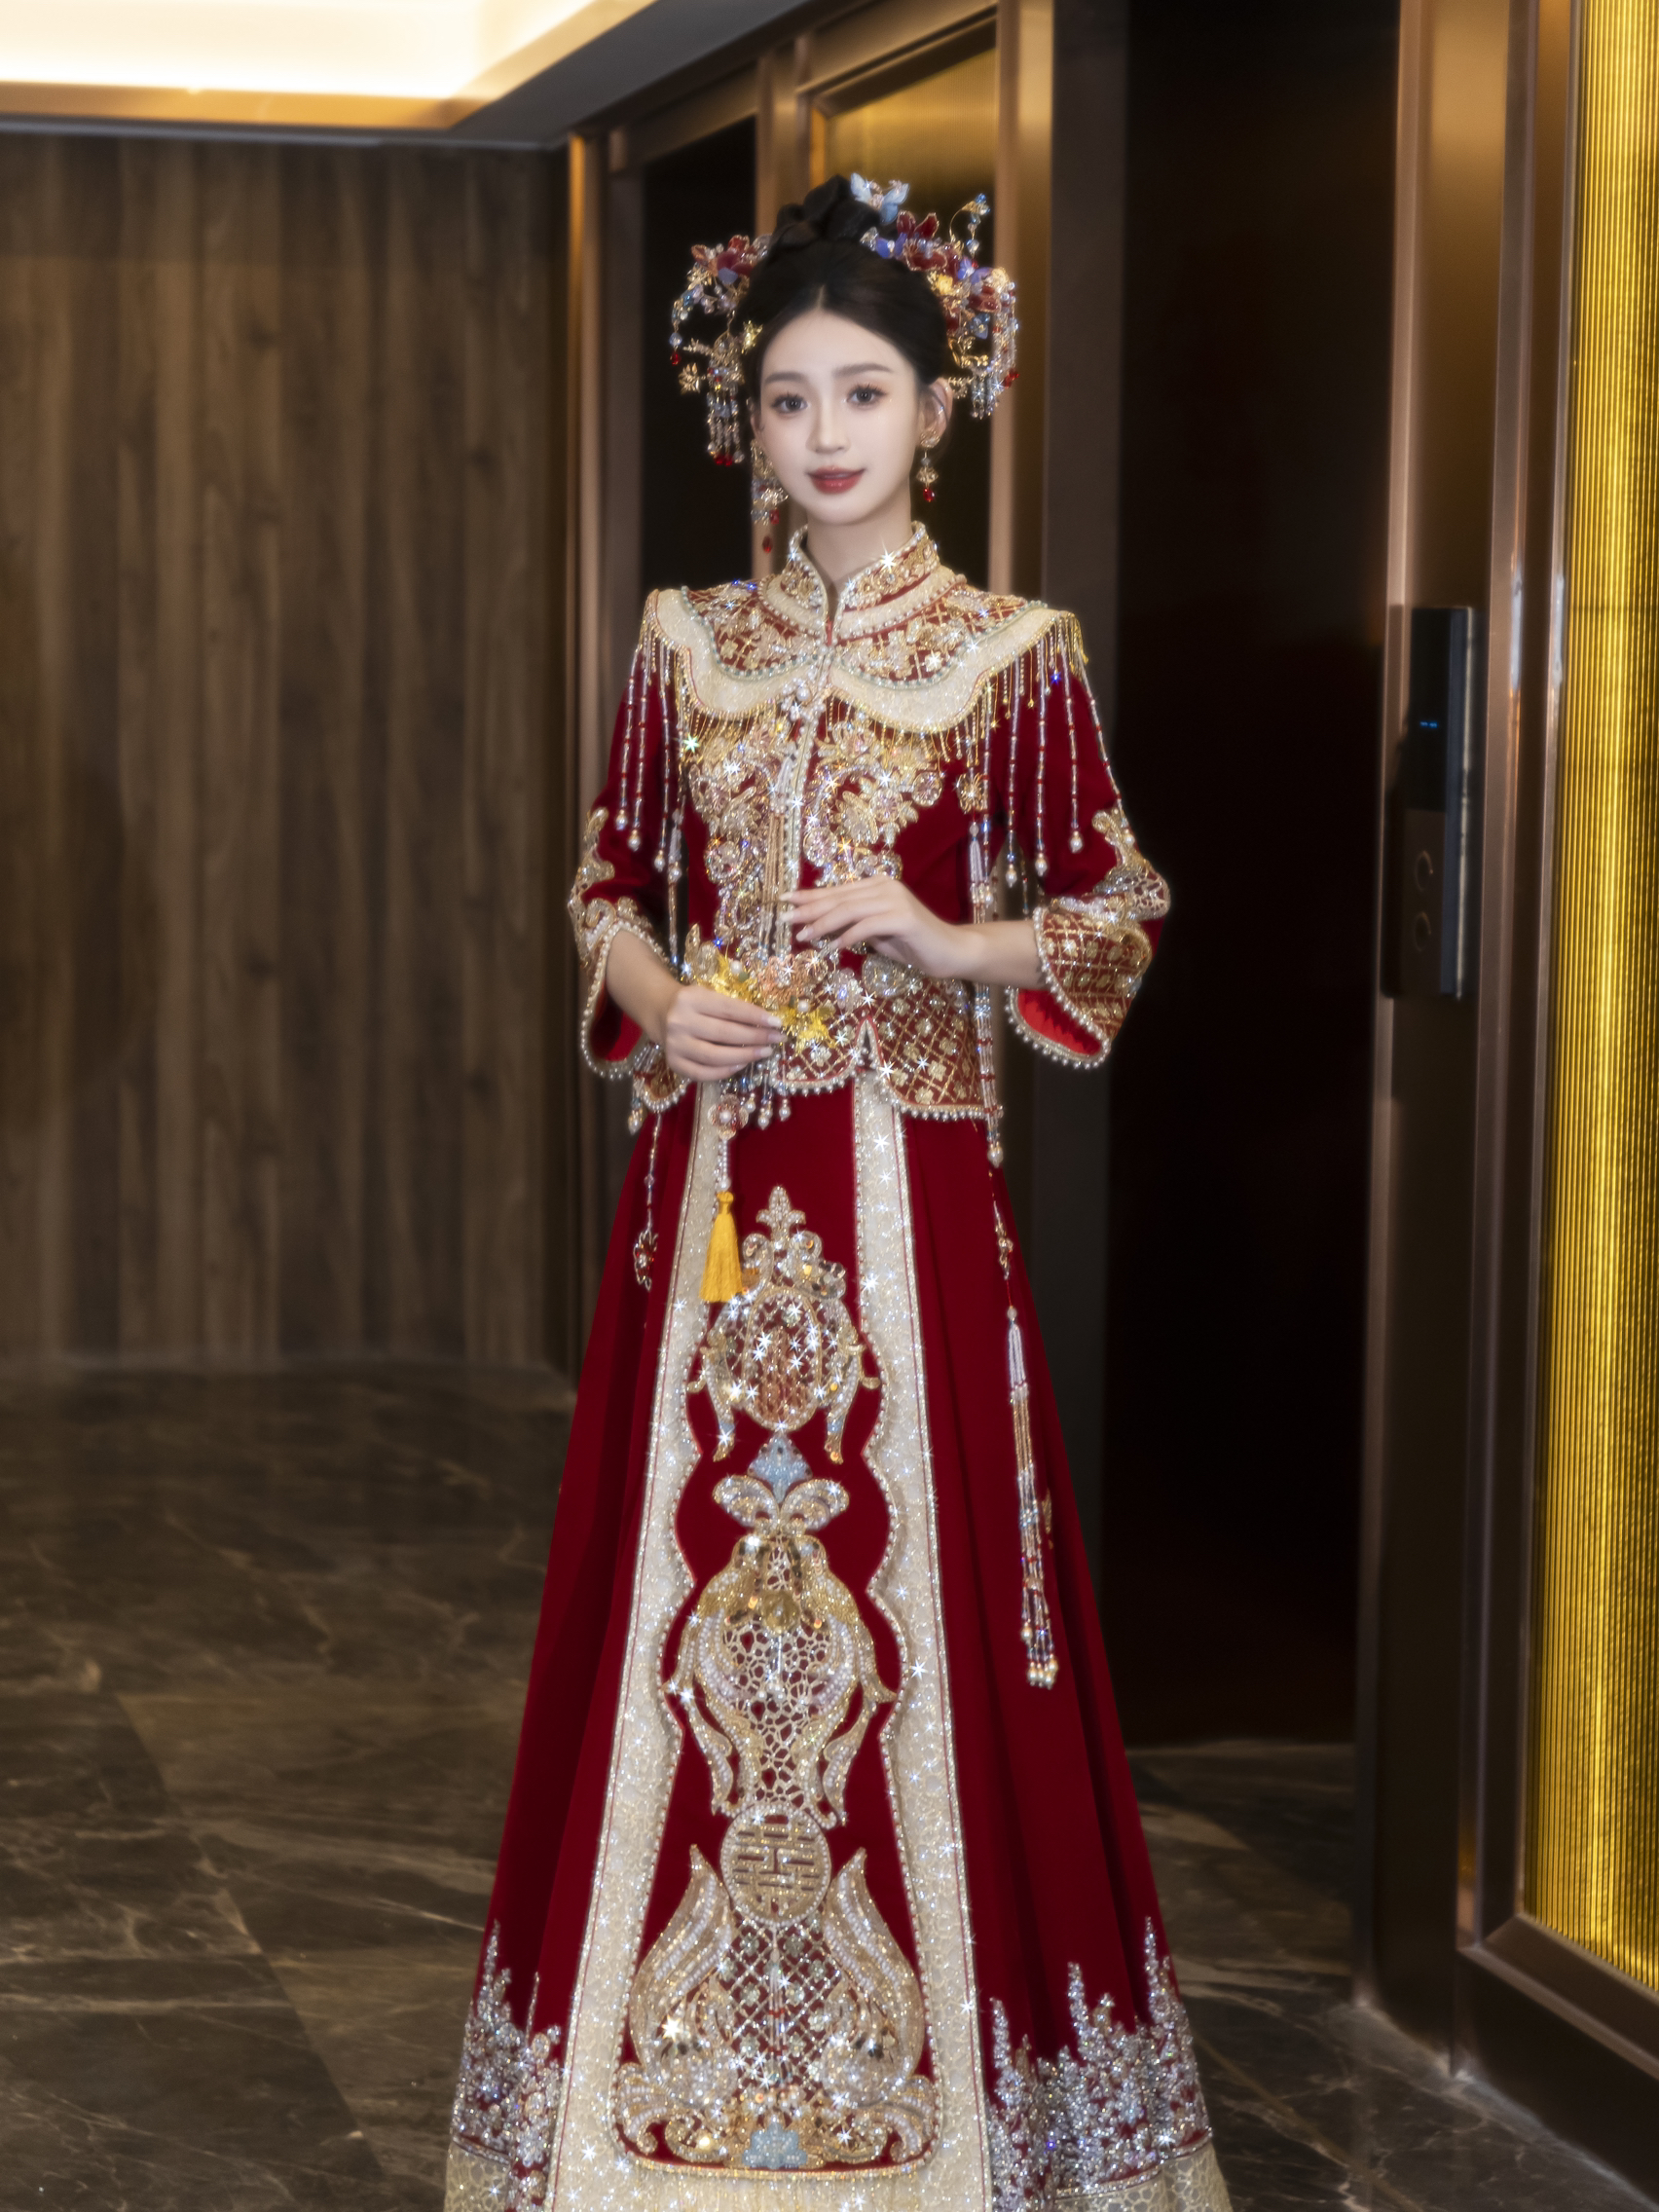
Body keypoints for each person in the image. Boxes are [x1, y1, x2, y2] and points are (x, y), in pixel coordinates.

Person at [443, 172, 1232, 2212]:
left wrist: (944, 937)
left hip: (909, 1213)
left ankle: (958, 2125)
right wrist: (658, 999)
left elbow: (1118, 911)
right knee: (680, 1594)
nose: (823, 434)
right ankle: (642, 2116)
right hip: (706, 1207)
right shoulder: (683, 643)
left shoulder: (1010, 657)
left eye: (863, 392)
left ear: (937, 409)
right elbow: (606, 885)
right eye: (787, 397)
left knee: (920, 1593)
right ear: (747, 419)